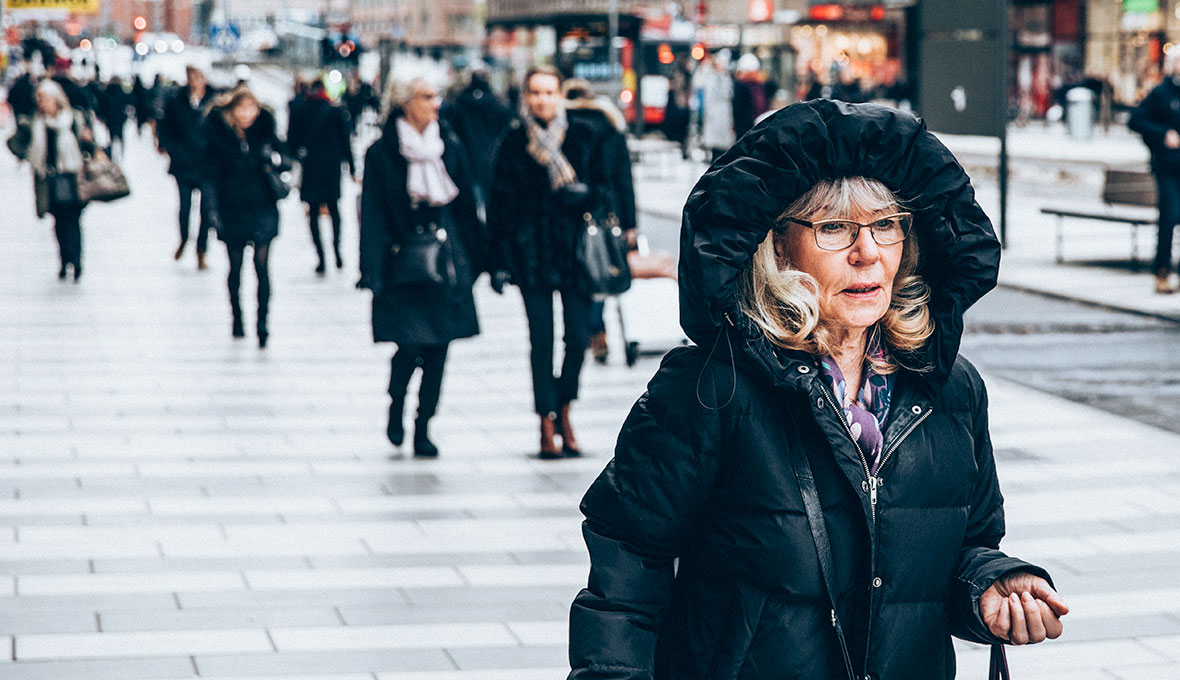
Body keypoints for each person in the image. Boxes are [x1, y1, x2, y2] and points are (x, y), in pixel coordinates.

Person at [568, 100, 1069, 678]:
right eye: (834, 229)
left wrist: (992, 587)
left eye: (886, 226)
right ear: (776, 244)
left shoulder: (950, 389)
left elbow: (963, 547)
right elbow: (629, 562)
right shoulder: (710, 386)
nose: (868, 253)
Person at [488, 66, 623, 459]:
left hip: (575, 252)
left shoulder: (583, 135)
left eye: (549, 92)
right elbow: (498, 206)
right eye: (535, 92)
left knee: (578, 337)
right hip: (531, 255)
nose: (542, 99)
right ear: (525, 97)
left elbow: (606, 188)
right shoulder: (514, 142)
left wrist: (585, 195)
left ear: (560, 95)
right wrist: (497, 260)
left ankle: (565, 407)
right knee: (541, 340)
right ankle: (546, 421)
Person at [358, 76, 482, 457]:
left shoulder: (449, 144)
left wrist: (480, 260)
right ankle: (396, 404)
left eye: (436, 96)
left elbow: (465, 208)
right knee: (409, 346)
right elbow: (373, 214)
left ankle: (423, 425)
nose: (435, 103)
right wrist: (372, 271)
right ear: (404, 102)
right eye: (427, 97)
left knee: (439, 349)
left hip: (445, 263)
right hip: (402, 264)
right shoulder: (382, 153)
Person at [202, 86, 288, 348]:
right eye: (241, 109)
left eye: (251, 108)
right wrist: (212, 212)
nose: (247, 114)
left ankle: (263, 323)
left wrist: (272, 158)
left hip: (263, 208)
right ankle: (237, 317)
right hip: (232, 209)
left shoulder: (265, 131)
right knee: (236, 268)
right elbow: (209, 177)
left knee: (262, 267)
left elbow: (287, 158)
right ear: (232, 110)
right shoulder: (219, 136)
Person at [561, 78, 637, 365]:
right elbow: (624, 180)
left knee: (581, 277)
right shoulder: (611, 129)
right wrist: (630, 223)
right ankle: (596, 330)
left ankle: (593, 331)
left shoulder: (562, 129)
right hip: (607, 214)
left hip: (570, 217)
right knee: (602, 270)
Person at [6, 79, 95, 280]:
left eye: (45, 99)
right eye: (39, 99)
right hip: (49, 180)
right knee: (59, 223)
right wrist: (28, 152)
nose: (42, 103)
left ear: (57, 99)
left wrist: (89, 142)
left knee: (74, 221)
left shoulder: (73, 119)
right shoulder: (35, 122)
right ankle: (64, 261)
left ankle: (76, 261)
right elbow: (13, 144)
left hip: (74, 177)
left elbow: (90, 147)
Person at [288, 78, 355, 274]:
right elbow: (346, 141)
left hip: (311, 166)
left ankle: (321, 258)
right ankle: (337, 251)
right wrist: (351, 167)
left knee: (314, 212)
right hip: (331, 167)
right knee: (334, 209)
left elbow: (292, 140)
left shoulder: (300, 109)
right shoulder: (335, 110)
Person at [1129, 54, 1180, 294]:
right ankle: (1161, 270)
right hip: (1168, 168)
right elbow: (1136, 120)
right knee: (1169, 217)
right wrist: (1163, 135)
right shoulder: (1162, 93)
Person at [158, 66, 216, 269]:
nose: (195, 81)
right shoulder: (177, 100)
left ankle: (202, 250)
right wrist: (173, 149)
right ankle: (184, 239)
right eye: (191, 76)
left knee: (207, 210)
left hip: (208, 164)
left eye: (199, 76)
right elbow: (165, 127)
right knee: (185, 207)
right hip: (183, 164)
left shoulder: (214, 100)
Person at [440, 63, 513, 216]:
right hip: (492, 155)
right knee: (490, 197)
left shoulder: (460, 103)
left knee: (472, 199)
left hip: (468, 156)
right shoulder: (497, 104)